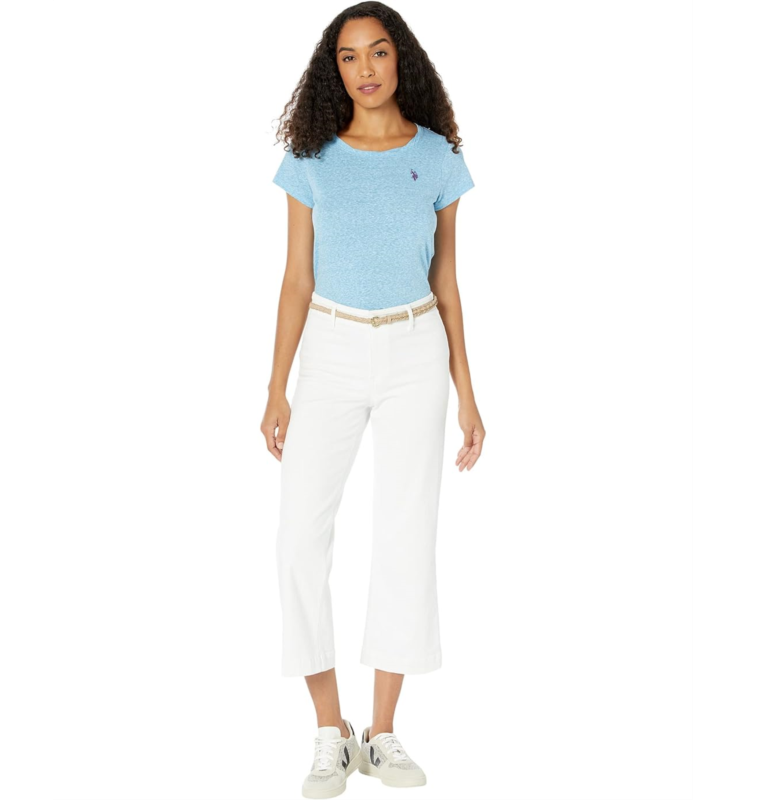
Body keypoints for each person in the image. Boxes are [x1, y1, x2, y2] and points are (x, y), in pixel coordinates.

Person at [261, 3, 486, 796]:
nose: (365, 69)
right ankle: (330, 729)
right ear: (335, 70)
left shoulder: (439, 158)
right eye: (349, 56)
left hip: (415, 350)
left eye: (378, 52)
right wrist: (277, 386)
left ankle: (381, 733)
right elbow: (296, 278)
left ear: (401, 60)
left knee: (405, 533)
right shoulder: (311, 159)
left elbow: (447, 283)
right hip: (329, 349)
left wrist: (468, 393)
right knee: (299, 538)